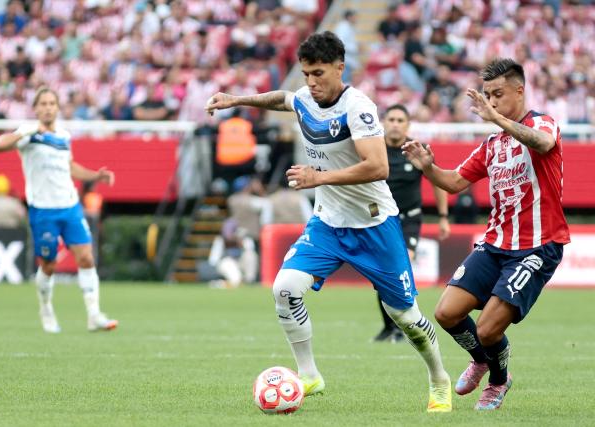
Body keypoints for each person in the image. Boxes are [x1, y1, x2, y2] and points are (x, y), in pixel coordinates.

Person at [206, 31, 452, 412]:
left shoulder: (359, 107)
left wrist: (317, 178)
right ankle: (309, 374)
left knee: (405, 317)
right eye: (305, 73)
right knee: (284, 288)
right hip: (327, 225)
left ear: (340, 68)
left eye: (318, 73)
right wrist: (237, 100)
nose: (311, 82)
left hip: (374, 225)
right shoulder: (306, 97)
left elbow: (378, 166)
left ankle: (439, 379)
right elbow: (282, 99)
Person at [402, 58, 570, 410]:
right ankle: (481, 359)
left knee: (489, 329)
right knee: (446, 313)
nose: (491, 102)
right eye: (487, 96)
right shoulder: (492, 145)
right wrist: (427, 167)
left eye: (498, 95)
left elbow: (541, 143)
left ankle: (497, 381)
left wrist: (497, 119)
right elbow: (453, 182)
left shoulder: (543, 123)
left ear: (519, 90)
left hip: (538, 247)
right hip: (495, 244)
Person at [0, 87, 118, 334]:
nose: (48, 107)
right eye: (44, 103)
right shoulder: (29, 133)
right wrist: (23, 132)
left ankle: (94, 314)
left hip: (70, 206)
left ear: (57, 107)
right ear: (36, 108)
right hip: (43, 210)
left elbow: (69, 167)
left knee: (86, 257)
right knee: (48, 265)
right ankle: (46, 308)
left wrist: (96, 175)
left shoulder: (63, 135)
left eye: (52, 103)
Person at [372, 104, 451, 343]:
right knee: (380, 276)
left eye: (400, 120)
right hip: (381, 219)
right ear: (384, 122)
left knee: (399, 266)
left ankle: (404, 325)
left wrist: (443, 217)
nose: (395, 124)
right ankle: (389, 326)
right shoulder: (374, 149)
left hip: (409, 219)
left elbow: (438, 181)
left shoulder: (417, 150)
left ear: (408, 125)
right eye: (391, 119)